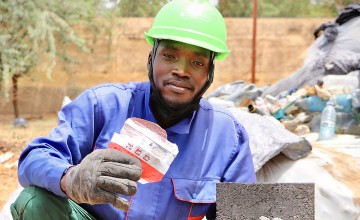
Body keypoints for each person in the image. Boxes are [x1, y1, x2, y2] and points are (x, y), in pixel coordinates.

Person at [11, 0, 256, 219]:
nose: (181, 70)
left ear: (210, 73)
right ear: (151, 59)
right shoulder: (102, 106)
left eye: (196, 62)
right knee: (34, 201)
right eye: (170, 55)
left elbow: (243, 213)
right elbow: (34, 159)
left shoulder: (227, 137)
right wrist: (70, 178)